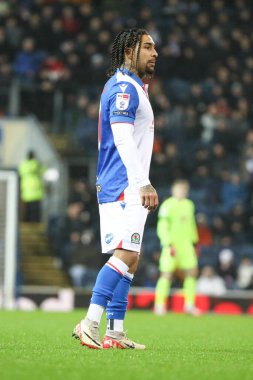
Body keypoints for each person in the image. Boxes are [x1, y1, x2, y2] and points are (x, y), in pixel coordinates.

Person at [72, 28, 158, 350]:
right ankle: (90, 322)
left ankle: (115, 332)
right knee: (126, 253)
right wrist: (142, 182)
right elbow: (121, 138)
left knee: (131, 257)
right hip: (125, 184)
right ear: (128, 51)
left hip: (118, 183)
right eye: (147, 47)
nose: (155, 53)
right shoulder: (124, 88)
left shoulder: (128, 86)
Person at [154, 179, 200, 316]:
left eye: (184, 190)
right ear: (173, 190)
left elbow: (191, 224)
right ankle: (159, 305)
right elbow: (162, 226)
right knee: (166, 274)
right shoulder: (167, 205)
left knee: (192, 273)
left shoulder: (189, 204)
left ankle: (189, 305)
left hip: (187, 246)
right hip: (171, 246)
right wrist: (167, 242)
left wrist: (195, 242)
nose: (181, 192)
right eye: (179, 189)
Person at [19, 150, 46, 222]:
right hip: (36, 193)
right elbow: (44, 171)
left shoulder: (23, 165)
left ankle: (27, 222)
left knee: (27, 211)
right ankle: (35, 223)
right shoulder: (37, 164)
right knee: (35, 212)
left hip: (26, 192)